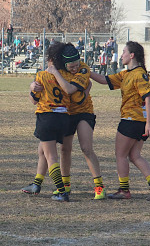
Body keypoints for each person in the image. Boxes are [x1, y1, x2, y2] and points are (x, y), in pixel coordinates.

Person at [24, 43, 106, 200]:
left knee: (86, 148)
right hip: (66, 113)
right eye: (71, 66)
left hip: (83, 111)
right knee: (64, 150)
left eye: (76, 65)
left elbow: (74, 94)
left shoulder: (82, 69)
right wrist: (32, 85)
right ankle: (65, 186)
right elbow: (40, 90)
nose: (74, 68)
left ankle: (99, 186)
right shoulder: (60, 72)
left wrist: (88, 88)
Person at [89, 41, 150, 201]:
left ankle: (124, 190)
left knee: (120, 155)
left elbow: (148, 98)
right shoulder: (125, 74)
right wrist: (87, 72)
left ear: (132, 55)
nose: (121, 55)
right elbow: (104, 80)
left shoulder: (138, 74)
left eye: (123, 52)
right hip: (138, 121)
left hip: (131, 121)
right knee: (135, 155)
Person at [22, 45, 71, 202]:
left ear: (50, 59)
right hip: (63, 118)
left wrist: (31, 88)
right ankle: (36, 184)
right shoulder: (67, 76)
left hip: (47, 117)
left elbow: (34, 100)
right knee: (42, 151)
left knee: (51, 157)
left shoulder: (42, 75)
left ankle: (62, 192)